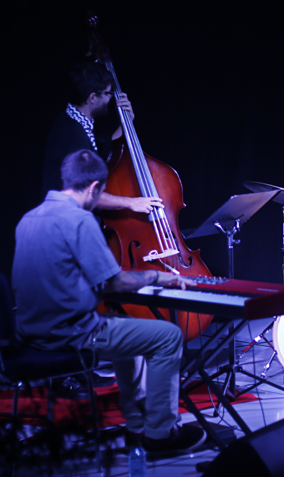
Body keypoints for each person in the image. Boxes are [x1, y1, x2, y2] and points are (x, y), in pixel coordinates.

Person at [12, 149, 207, 456]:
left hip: (29, 333)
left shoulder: (28, 218)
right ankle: (160, 435)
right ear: (93, 187)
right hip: (70, 334)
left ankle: (136, 427)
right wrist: (158, 277)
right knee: (168, 336)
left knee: (129, 328)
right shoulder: (78, 220)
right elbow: (113, 282)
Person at [41, 60, 163, 215]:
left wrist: (127, 121)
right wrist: (131, 202)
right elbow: (86, 193)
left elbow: (106, 151)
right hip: (66, 222)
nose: (111, 98)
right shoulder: (71, 135)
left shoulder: (80, 121)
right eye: (108, 93)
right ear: (93, 97)